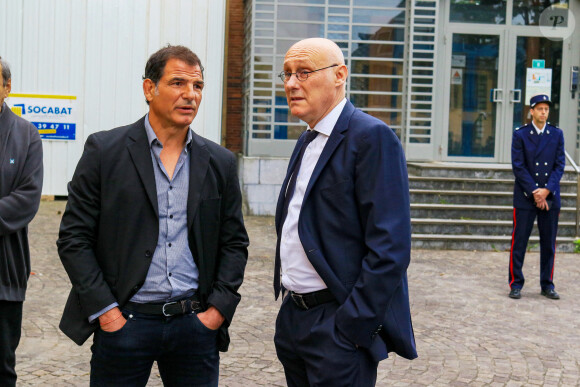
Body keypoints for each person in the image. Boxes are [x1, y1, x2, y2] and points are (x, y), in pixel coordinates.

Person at [57, 45, 249, 386]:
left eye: (198, 86)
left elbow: (234, 242)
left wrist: (217, 310)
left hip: (194, 325)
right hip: (125, 323)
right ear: (150, 89)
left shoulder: (219, 161)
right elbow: (74, 238)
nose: (190, 94)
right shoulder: (104, 151)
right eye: (178, 83)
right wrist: (107, 312)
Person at [272, 38, 417, 386]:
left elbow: (390, 248)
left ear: (340, 75)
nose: (292, 84)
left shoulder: (371, 137)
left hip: (336, 326)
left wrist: (352, 325)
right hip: (295, 318)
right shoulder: (307, 138)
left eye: (304, 73)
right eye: (287, 74)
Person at [0, 56, 44, 386]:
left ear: (7, 87)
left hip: (5, 272)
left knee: (2, 365)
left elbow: (27, 198)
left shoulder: (26, 135)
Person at [509, 93, 565, 300]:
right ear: (531, 111)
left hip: (549, 197)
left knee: (548, 243)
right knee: (519, 242)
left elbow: (560, 166)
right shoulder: (521, 135)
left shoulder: (556, 134)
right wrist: (534, 191)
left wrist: (546, 191)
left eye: (546, 109)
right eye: (539, 109)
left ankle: (547, 284)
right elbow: (518, 166)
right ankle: (516, 283)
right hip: (525, 197)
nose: (543, 112)